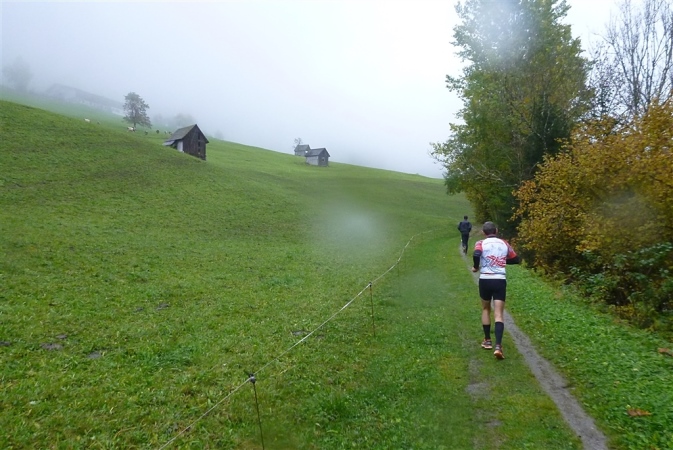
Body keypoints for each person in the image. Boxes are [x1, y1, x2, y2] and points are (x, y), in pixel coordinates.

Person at [471, 221, 520, 359]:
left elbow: (476, 254)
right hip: (499, 280)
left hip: (485, 280)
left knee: (486, 309)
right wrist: (501, 261)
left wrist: (476, 267)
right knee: (499, 314)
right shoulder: (504, 243)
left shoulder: (480, 243)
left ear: (483, 232)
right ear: (496, 231)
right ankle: (498, 346)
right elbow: (516, 259)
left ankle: (487, 341)